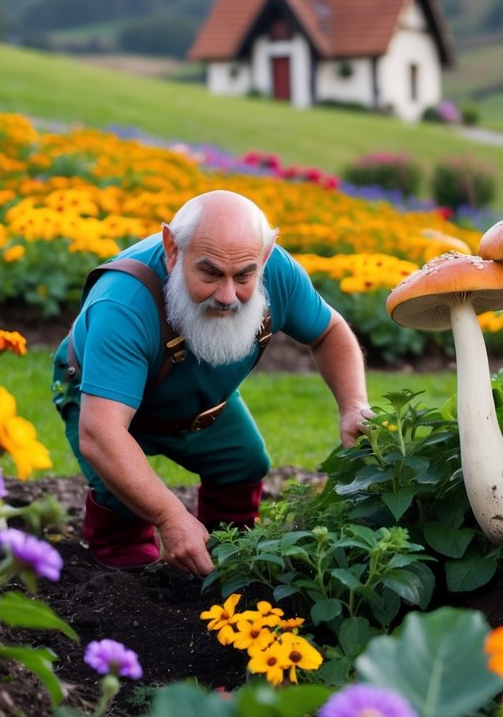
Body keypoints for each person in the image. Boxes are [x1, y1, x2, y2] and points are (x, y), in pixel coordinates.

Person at [51, 189, 372, 576]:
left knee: (243, 463)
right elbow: (101, 433)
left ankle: (227, 560)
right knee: (121, 502)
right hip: (104, 399)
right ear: (173, 248)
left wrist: (354, 404)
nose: (227, 295)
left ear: (265, 254)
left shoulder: (278, 273)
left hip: (199, 403)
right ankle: (120, 576)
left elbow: (329, 331)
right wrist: (170, 516)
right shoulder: (122, 304)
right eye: (210, 272)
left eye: (243, 276)